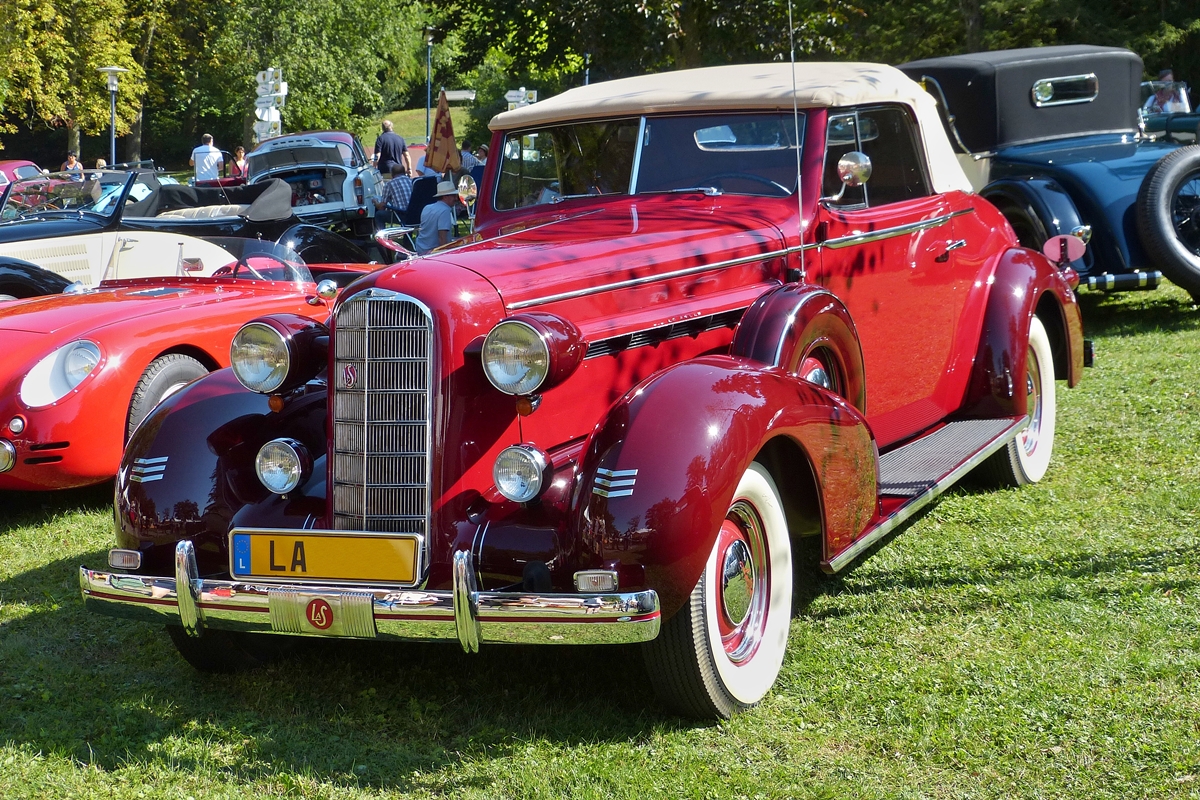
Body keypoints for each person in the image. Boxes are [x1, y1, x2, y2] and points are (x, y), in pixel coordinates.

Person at [415, 180, 458, 254]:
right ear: (445, 196)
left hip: (420, 248)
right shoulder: (445, 210)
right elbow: (442, 237)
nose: (456, 199)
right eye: (453, 196)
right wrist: (445, 255)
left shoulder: (427, 207)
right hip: (433, 251)